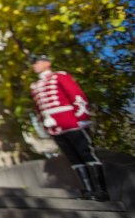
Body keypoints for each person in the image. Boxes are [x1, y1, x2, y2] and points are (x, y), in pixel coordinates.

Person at [29, 54, 108, 201]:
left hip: (70, 122)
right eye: (34, 64)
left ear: (47, 63)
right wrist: (44, 125)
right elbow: (39, 108)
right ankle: (89, 190)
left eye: (38, 63)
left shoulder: (59, 77)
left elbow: (77, 96)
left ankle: (101, 190)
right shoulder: (35, 86)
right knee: (73, 158)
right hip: (55, 126)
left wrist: (82, 119)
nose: (35, 66)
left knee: (86, 153)